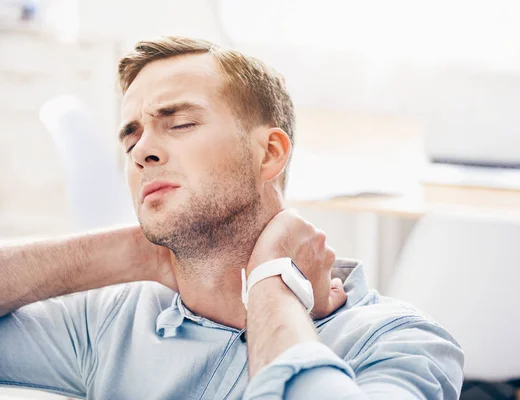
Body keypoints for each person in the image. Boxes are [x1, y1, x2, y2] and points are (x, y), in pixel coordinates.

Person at [0, 37, 463, 399]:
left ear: (269, 153)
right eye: (130, 139)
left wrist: (273, 289)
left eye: (179, 123)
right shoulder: (113, 321)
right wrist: (130, 250)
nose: (142, 151)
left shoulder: (397, 343)